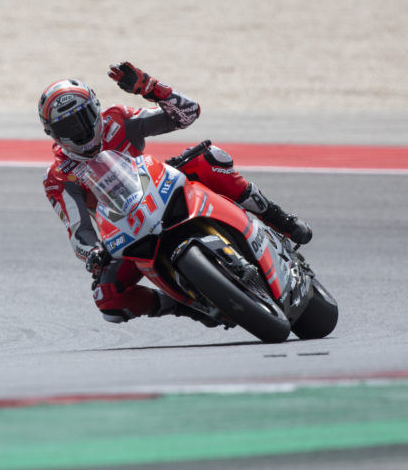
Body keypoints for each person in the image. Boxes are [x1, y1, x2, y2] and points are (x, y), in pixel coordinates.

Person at [40, 61, 312, 324]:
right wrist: (93, 253)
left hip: (158, 187)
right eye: (67, 127)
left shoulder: (118, 119)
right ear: (52, 133)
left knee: (210, 159)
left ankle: (278, 218)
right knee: (108, 299)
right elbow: (78, 230)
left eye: (83, 118)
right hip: (126, 227)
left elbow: (187, 113)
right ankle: (186, 308)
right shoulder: (58, 175)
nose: (79, 130)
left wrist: (149, 87)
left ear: (95, 108)